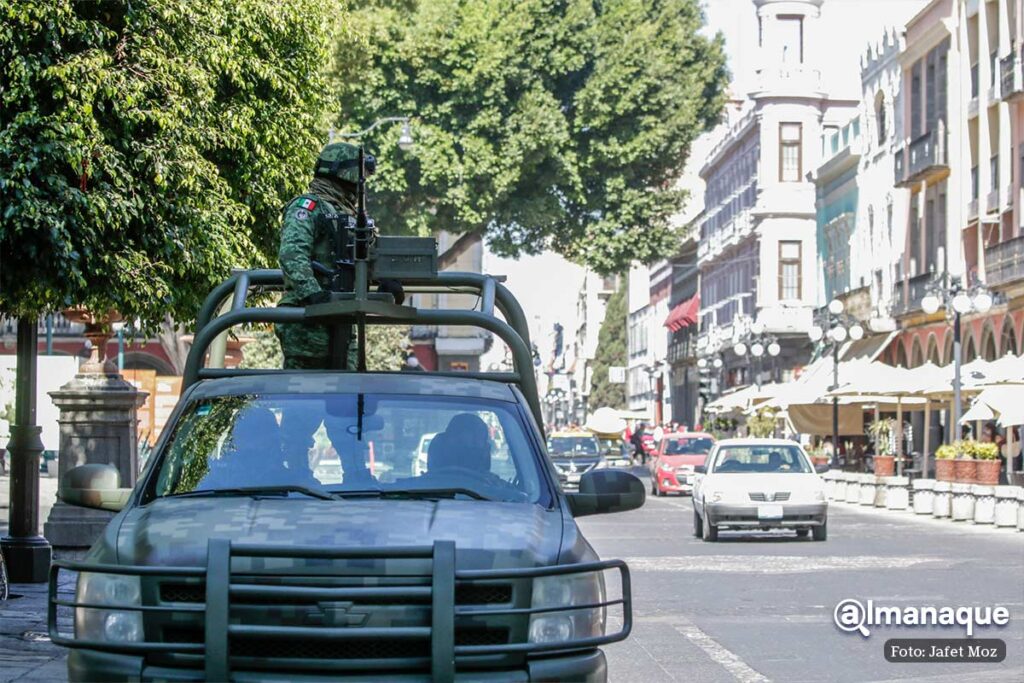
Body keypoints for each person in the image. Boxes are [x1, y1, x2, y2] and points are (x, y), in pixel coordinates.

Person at [275, 142, 403, 370]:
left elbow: (363, 257)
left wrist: (383, 280)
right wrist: (314, 295)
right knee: (305, 395)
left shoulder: (350, 216)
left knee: (347, 392)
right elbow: (292, 253)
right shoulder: (308, 207)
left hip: (343, 314)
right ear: (348, 175)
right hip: (309, 318)